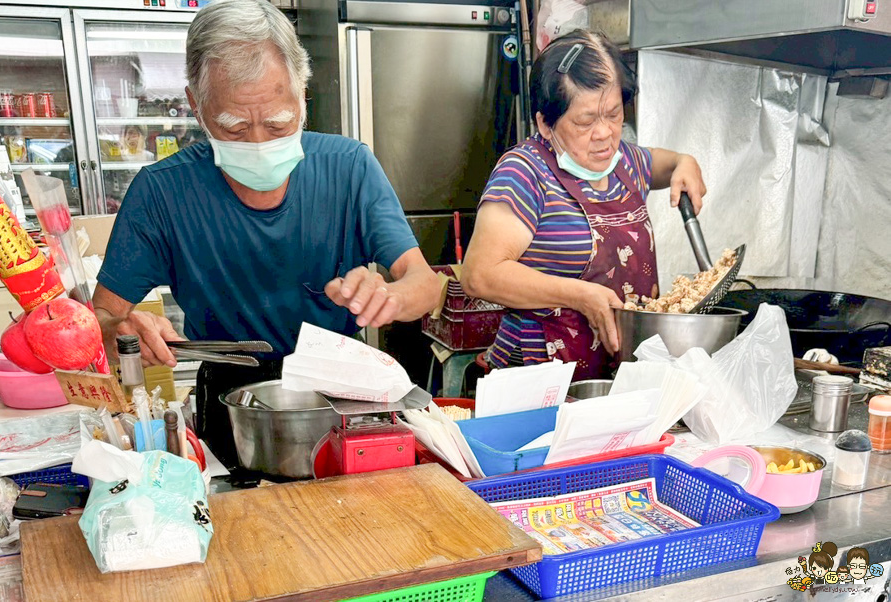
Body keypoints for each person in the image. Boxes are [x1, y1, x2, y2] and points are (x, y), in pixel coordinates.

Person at [92, 0, 439, 465]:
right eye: (233, 127)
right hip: (231, 403)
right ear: (196, 105)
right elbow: (99, 320)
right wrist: (121, 331)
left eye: (278, 123)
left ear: (303, 96)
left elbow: (425, 284)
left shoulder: (349, 168)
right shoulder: (162, 193)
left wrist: (389, 297)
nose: (258, 142)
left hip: (345, 395)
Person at [461, 30, 707, 380]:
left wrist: (685, 162)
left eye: (614, 114)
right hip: (537, 380)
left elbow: (664, 164)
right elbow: (480, 275)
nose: (604, 133)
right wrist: (579, 295)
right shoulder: (524, 173)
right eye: (585, 121)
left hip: (616, 375)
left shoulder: (625, 162)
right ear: (545, 124)